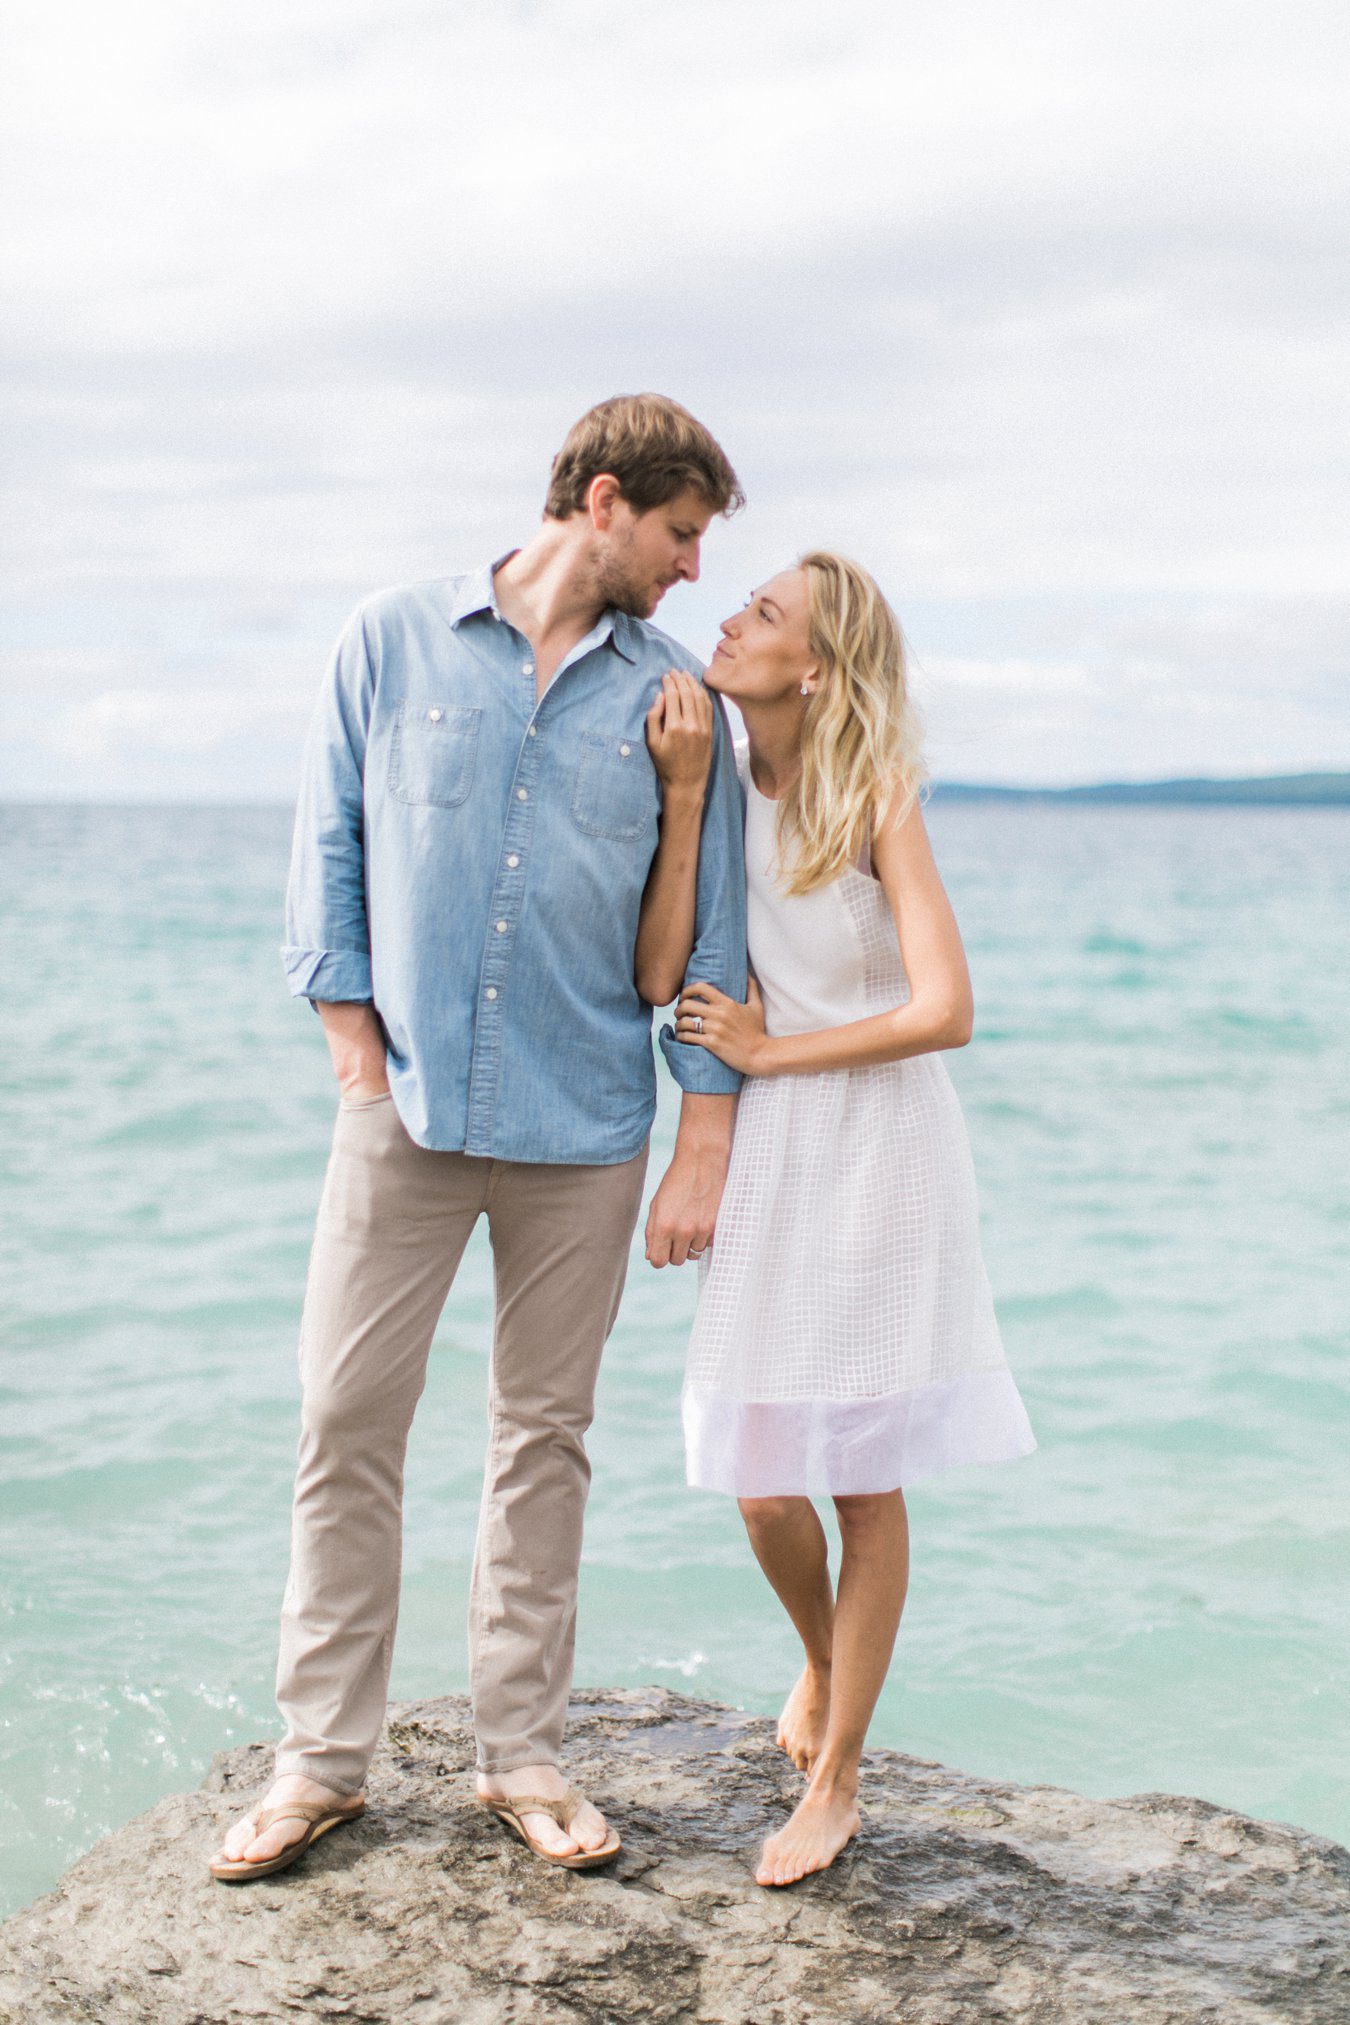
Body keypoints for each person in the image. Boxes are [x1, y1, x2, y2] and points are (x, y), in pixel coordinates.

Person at [210, 394, 748, 1881]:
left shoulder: (679, 694)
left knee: (543, 1438)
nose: (694, 568)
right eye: (682, 533)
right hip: (410, 1106)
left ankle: (522, 1753)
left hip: (586, 1123)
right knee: (342, 1420)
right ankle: (320, 1761)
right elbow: (327, 840)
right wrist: (351, 1057)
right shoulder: (388, 639)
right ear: (598, 498)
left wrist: (705, 1136)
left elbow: (706, 942)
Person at [639, 551, 1035, 1888]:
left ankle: (841, 1770)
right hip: (774, 1145)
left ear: (812, 664)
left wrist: (766, 1057)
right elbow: (678, 964)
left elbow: (947, 1010)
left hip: (873, 1140)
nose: (726, 618)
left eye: (758, 612)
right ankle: (820, 1658)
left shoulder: (873, 793)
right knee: (760, 1478)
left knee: (859, 1471)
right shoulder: (721, 784)